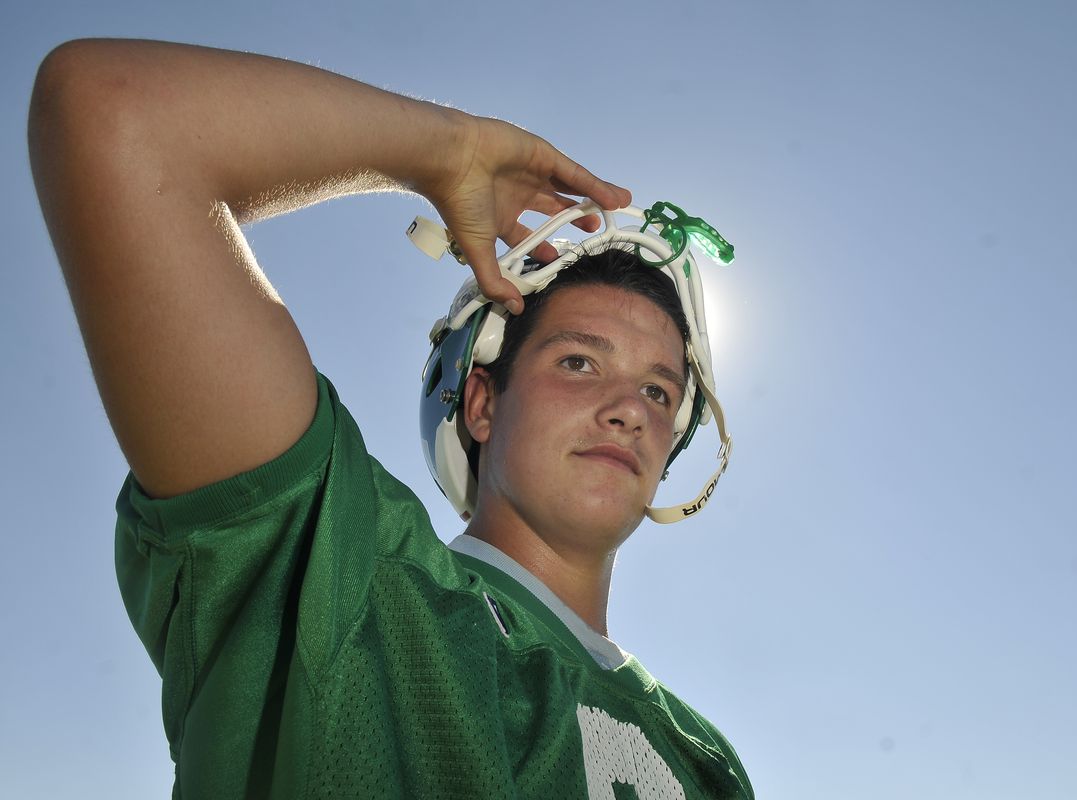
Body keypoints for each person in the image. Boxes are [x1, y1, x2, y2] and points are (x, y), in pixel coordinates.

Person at [29, 38, 752, 799]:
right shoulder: (349, 574)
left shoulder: (705, 758)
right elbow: (115, 113)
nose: (627, 412)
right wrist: (449, 150)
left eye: (659, 393)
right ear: (480, 402)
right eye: (578, 362)